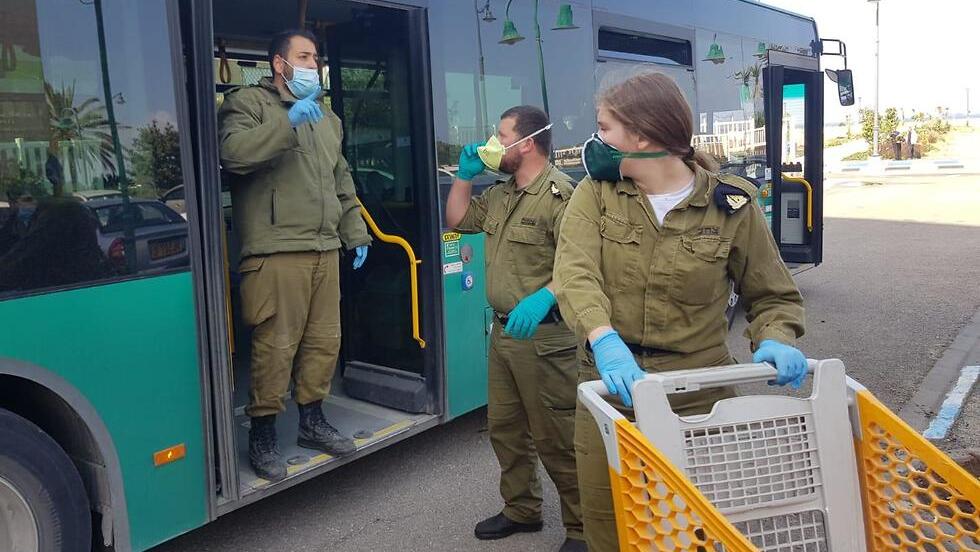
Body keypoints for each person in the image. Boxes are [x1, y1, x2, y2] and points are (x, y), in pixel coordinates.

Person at [553, 71, 807, 551]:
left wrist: (775, 336)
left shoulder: (730, 206)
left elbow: (772, 294)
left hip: (696, 395)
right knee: (608, 527)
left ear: (643, 135)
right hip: (610, 394)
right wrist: (603, 338)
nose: (596, 140)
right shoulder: (596, 194)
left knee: (691, 527)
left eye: (605, 127)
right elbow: (574, 273)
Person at [218, 29, 372, 482]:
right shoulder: (247, 104)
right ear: (278, 65)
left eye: (316, 56)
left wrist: (356, 232)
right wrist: (286, 124)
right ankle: (262, 432)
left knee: (324, 340)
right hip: (276, 249)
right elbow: (233, 154)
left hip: (325, 246)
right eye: (303, 56)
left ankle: (312, 421)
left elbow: (340, 181)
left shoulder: (328, 119)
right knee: (275, 345)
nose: (312, 63)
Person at [445, 105, 585, 552]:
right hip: (504, 333)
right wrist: (463, 177)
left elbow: (581, 265)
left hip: (545, 337)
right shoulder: (502, 194)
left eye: (499, 134)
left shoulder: (563, 196)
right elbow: (457, 221)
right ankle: (521, 509)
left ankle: (583, 527)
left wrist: (547, 293)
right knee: (506, 429)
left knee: (556, 436)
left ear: (526, 143)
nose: (491, 142)